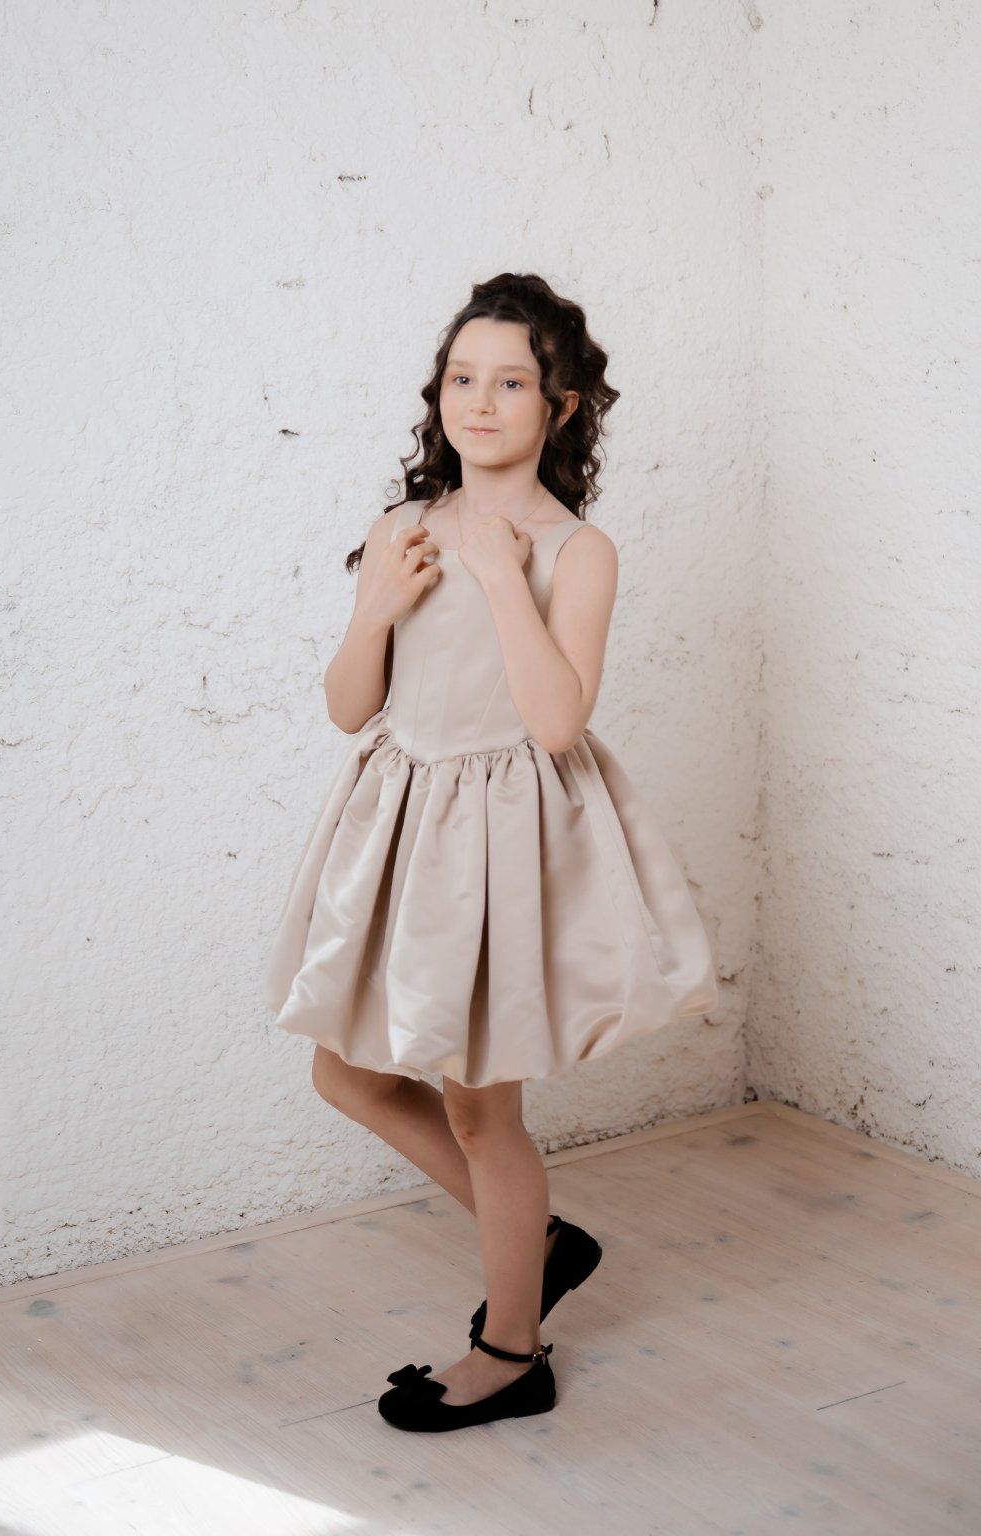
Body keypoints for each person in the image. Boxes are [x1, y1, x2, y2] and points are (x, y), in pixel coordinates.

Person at [262, 272, 719, 1432]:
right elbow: (349, 707)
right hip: (403, 827)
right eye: (461, 378)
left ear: (558, 407)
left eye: (510, 382)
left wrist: (502, 576)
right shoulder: (401, 529)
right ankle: (539, 1240)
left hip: (500, 845)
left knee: (479, 1110)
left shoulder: (576, 550)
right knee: (343, 1070)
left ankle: (513, 1352)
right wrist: (376, 606)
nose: (479, 400)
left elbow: (556, 721)